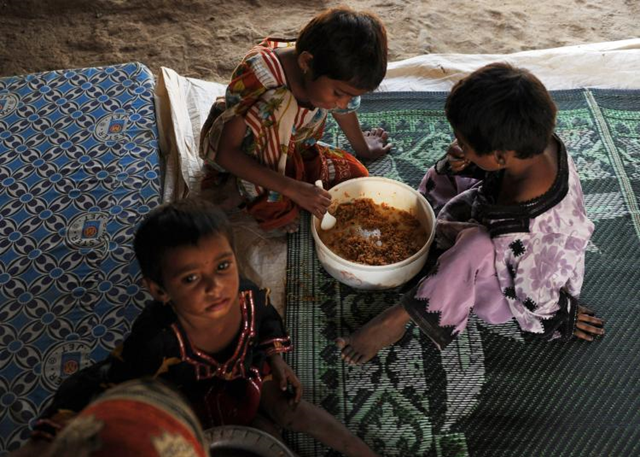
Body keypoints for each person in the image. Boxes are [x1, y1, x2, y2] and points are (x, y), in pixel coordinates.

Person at [27, 199, 379, 457]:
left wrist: (276, 361)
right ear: (160, 290)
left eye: (223, 265)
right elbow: (103, 382)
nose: (215, 286)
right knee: (250, 438)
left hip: (247, 379)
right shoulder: (156, 339)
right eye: (191, 278)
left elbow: (267, 320)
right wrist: (51, 435)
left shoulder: (246, 295)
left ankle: (359, 450)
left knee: (293, 408)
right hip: (193, 405)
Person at [336, 63, 605, 364]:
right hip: (495, 221)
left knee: (474, 244)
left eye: (464, 142)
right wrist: (469, 159)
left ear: (500, 156)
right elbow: (486, 172)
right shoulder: (533, 147)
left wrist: (561, 315)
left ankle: (399, 318)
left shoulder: (540, 233)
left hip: (513, 280)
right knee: (451, 176)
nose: (458, 145)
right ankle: (451, 237)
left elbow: (536, 293)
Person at [199, 6, 391, 234]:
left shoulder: (322, 68)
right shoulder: (263, 80)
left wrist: (363, 147)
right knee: (280, 103)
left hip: (290, 146)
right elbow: (226, 152)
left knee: (356, 175)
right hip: (239, 152)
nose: (342, 103)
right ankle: (246, 189)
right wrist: (294, 189)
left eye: (352, 96)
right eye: (339, 93)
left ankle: (274, 179)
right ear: (306, 63)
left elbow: (344, 110)